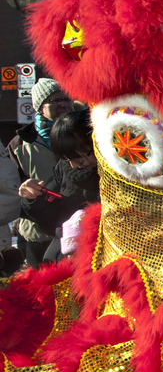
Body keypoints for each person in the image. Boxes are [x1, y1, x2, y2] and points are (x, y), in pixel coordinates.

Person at [17, 108, 99, 264]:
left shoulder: (119, 173)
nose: (74, 166)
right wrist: (32, 198)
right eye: (67, 159)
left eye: (79, 159)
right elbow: (55, 216)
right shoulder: (66, 168)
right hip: (64, 255)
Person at [7, 78, 73, 267]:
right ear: (40, 107)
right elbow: (15, 192)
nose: (63, 104)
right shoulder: (21, 144)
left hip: (80, 228)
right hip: (40, 233)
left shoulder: (86, 133)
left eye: (66, 98)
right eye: (55, 100)